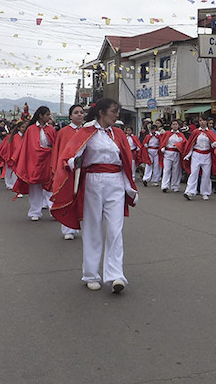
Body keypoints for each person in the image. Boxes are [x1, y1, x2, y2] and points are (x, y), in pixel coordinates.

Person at [51, 98, 138, 293]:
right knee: (92, 228)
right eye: (114, 111)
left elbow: (126, 160)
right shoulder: (86, 132)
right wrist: (73, 161)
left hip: (116, 182)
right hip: (93, 182)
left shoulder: (118, 134)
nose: (117, 115)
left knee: (115, 229)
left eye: (118, 111)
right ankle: (91, 274)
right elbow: (69, 157)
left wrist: (129, 186)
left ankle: (116, 275)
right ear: (101, 112)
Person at [12, 106, 56, 221]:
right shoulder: (30, 129)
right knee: (35, 187)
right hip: (34, 161)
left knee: (50, 186)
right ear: (41, 116)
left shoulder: (51, 129)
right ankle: (35, 211)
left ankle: (54, 210)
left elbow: (55, 145)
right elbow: (28, 147)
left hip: (48, 160)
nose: (49, 117)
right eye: (47, 115)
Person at [51, 104, 85, 240]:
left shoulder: (87, 131)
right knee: (68, 197)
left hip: (84, 170)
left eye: (81, 112)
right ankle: (68, 229)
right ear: (70, 116)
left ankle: (84, 226)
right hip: (68, 170)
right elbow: (59, 153)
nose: (79, 115)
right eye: (76, 112)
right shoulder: (63, 132)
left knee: (84, 198)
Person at [182, 115, 216, 201]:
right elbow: (191, 144)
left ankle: (205, 192)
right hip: (196, 154)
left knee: (206, 174)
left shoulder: (211, 132)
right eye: (200, 120)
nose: (202, 122)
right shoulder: (195, 132)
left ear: (206, 122)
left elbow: (213, 144)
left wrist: (214, 145)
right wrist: (188, 155)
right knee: (194, 173)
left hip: (207, 155)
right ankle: (189, 191)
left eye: (204, 120)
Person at [159, 120, 187, 193]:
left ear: (178, 126)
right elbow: (163, 141)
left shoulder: (181, 135)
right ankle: (165, 185)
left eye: (176, 124)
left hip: (177, 153)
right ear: (171, 126)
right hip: (168, 153)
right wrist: (163, 147)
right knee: (167, 169)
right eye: (173, 124)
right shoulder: (167, 133)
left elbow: (185, 143)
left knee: (176, 170)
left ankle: (175, 185)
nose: (175, 126)